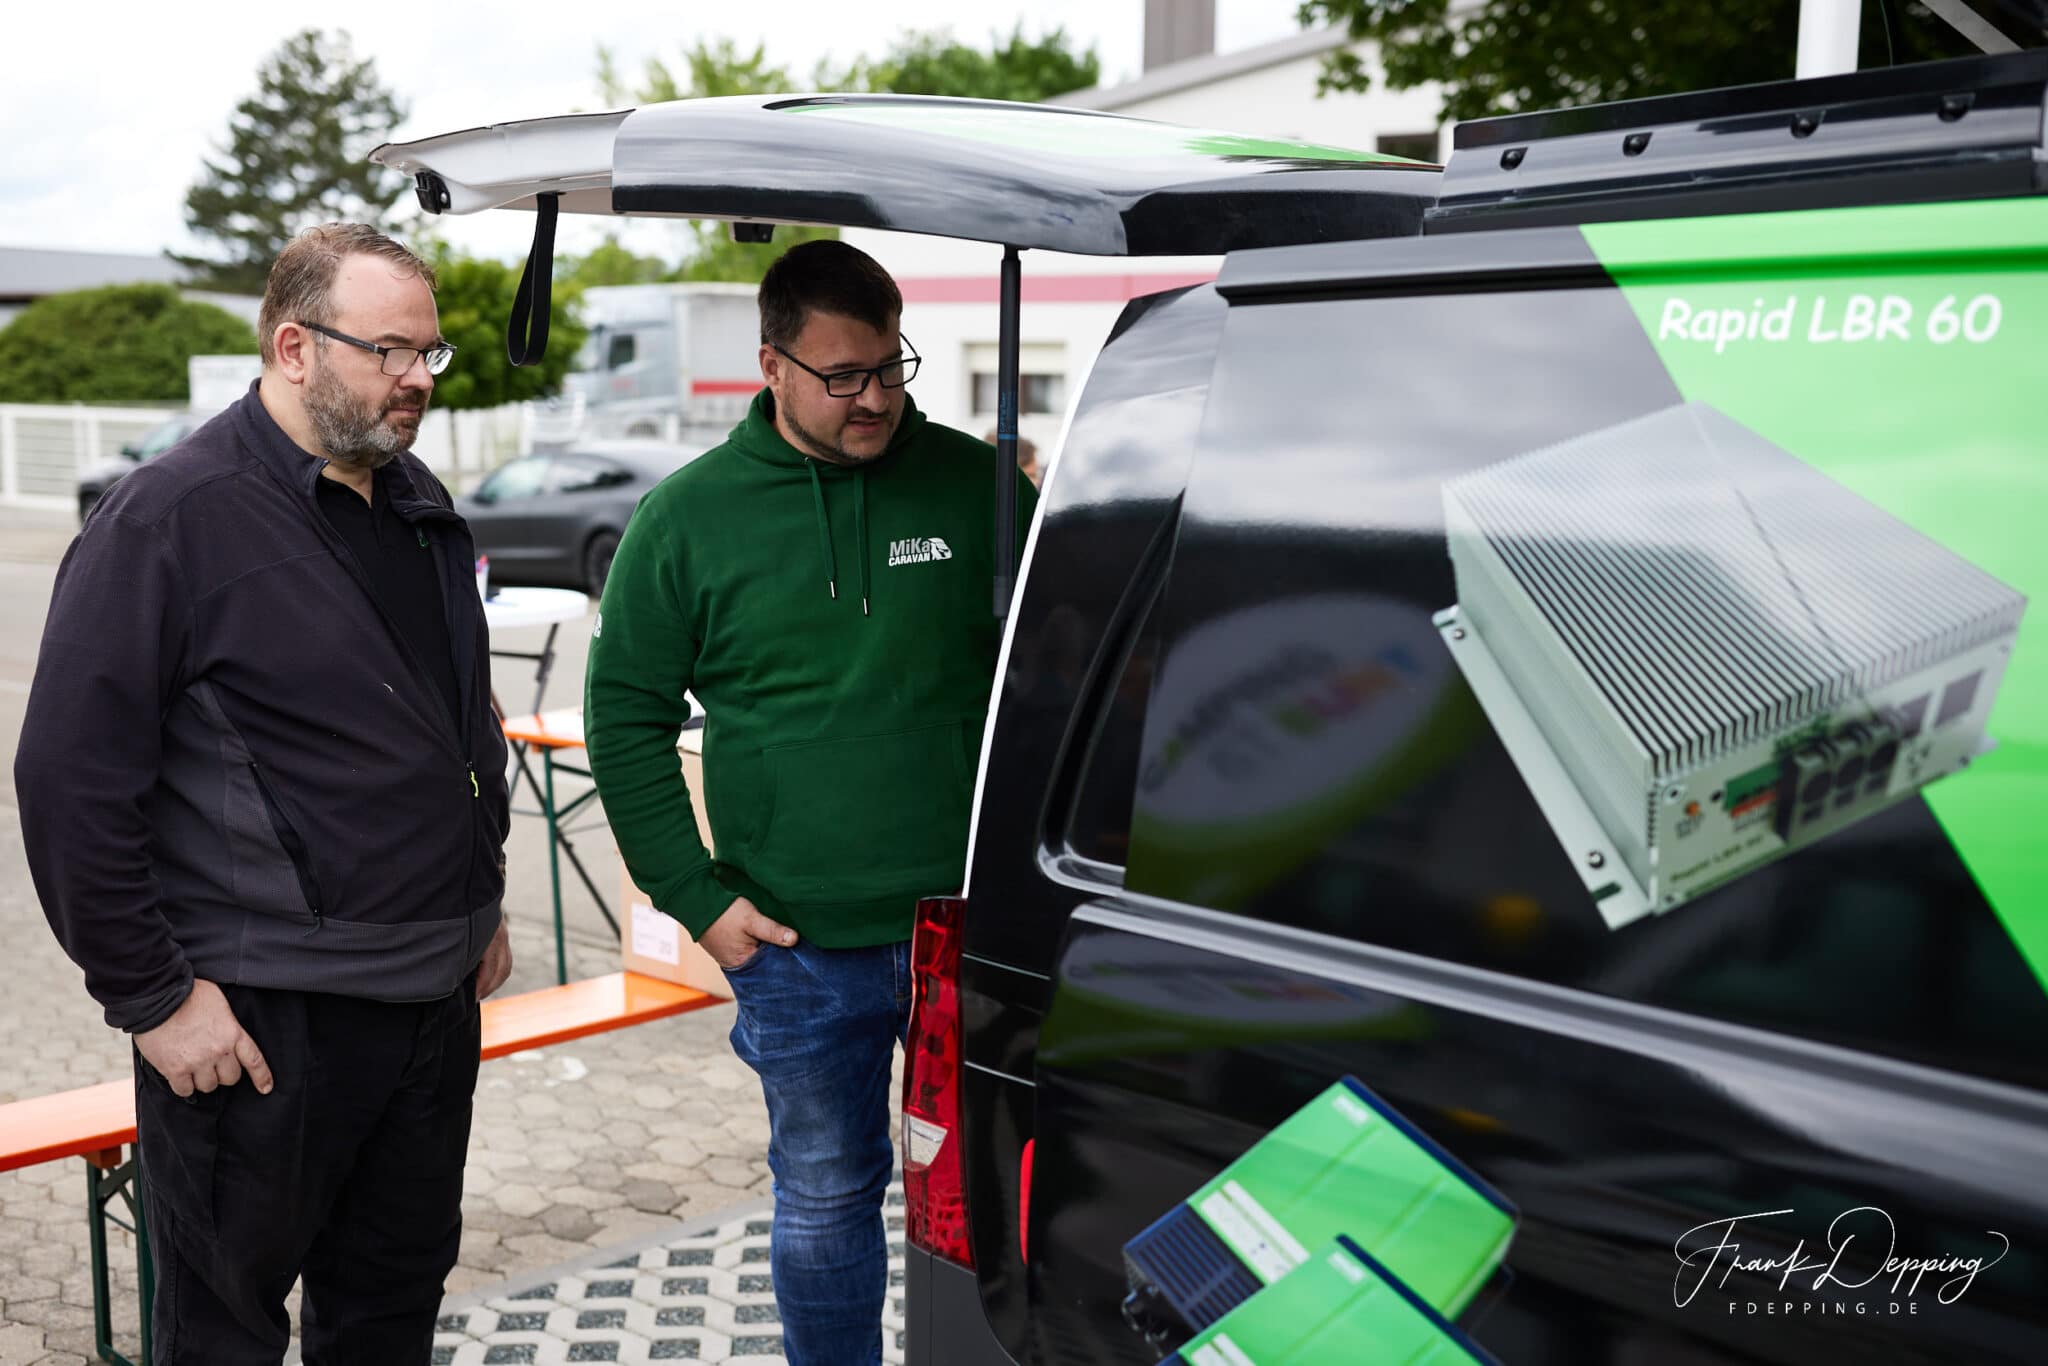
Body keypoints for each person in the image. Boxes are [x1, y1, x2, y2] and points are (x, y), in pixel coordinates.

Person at [14, 223, 513, 1365]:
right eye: (390, 351)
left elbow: (458, 724)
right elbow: (68, 781)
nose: (418, 379)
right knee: (224, 1336)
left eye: (429, 353)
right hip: (260, 1026)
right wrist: (152, 997)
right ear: (294, 347)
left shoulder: (417, 503)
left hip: (431, 1007)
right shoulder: (167, 519)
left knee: (389, 1313)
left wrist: (478, 901)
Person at [585, 239, 1035, 1365]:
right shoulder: (686, 519)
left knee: (995, 1188)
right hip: (797, 944)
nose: (873, 398)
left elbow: (1062, 671)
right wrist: (696, 899)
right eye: (841, 377)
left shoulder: (979, 487)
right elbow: (624, 718)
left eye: (889, 367)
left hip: (972, 928)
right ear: (771, 365)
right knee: (829, 1194)